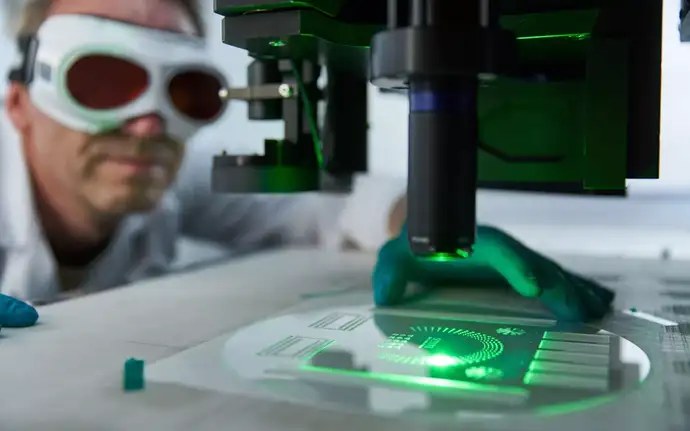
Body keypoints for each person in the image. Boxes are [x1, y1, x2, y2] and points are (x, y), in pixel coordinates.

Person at [0, 0, 613, 328]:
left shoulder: (169, 184)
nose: (148, 125)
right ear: (19, 102)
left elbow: (328, 209)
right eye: (103, 81)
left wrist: (425, 221)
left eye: (184, 90)